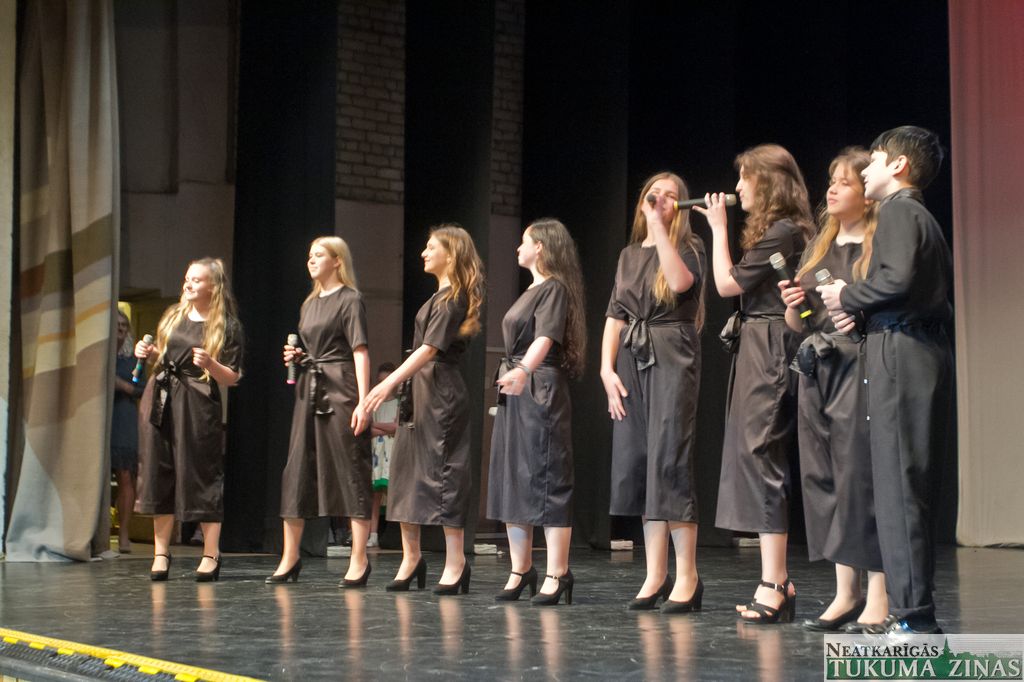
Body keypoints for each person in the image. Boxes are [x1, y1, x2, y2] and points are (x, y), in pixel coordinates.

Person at [818, 126, 952, 635]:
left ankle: (915, 619)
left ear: (898, 166)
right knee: (906, 485)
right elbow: (910, 287)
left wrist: (847, 296)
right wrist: (863, 311)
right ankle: (914, 613)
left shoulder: (898, 210)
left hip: (902, 353)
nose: (867, 170)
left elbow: (896, 279)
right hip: (913, 349)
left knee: (899, 488)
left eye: (873, 161)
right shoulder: (919, 217)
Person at [695, 144, 814, 624]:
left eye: (746, 177)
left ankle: (776, 581)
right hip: (758, 342)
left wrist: (717, 229)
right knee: (755, 453)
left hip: (770, 344)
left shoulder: (784, 230)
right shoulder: (779, 230)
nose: (738, 186)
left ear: (768, 181)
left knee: (763, 453)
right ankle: (776, 579)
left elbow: (727, 285)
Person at [778, 147, 887, 631]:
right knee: (823, 478)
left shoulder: (878, 246)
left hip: (859, 364)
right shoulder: (819, 248)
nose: (833, 188)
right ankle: (846, 592)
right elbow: (801, 321)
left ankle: (879, 595)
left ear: (867, 194)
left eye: (845, 182)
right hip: (817, 367)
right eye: (832, 180)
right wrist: (793, 304)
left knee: (861, 477)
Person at [602, 173, 707, 612]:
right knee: (642, 464)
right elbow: (615, 314)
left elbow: (679, 284)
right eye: (654, 195)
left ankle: (688, 577)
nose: (661, 201)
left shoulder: (689, 247)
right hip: (632, 356)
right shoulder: (628, 255)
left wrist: (661, 230)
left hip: (671, 352)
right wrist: (606, 370)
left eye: (671, 197)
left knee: (669, 461)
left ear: (680, 206)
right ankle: (655, 574)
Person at [363, 224, 485, 595]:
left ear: (451, 253)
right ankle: (411, 557)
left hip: (441, 393)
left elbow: (430, 350)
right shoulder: (436, 297)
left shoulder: (454, 298)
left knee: (444, 473)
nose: (423, 253)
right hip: (418, 392)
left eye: (431, 247)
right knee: (404, 472)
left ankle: (456, 561)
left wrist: (388, 383)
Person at [488, 219, 586, 606]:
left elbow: (546, 336)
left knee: (546, 477)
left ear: (541, 246)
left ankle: (558, 572)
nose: (518, 248)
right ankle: (521, 569)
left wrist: (524, 371)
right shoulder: (530, 289)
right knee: (513, 476)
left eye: (524, 241)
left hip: (538, 385)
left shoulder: (554, 289)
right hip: (518, 386)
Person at [266, 236, 374, 587]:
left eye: (318, 255)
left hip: (340, 387)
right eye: (309, 255)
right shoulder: (309, 303)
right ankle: (290, 557)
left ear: (337, 260)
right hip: (308, 390)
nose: (310, 260)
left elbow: (359, 351)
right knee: (297, 468)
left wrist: (364, 401)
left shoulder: (350, 299)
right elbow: (314, 348)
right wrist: (299, 357)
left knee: (350, 467)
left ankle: (359, 559)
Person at [136, 258, 243, 582]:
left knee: (201, 474)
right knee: (159, 471)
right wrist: (150, 354)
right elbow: (167, 358)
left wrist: (210, 364)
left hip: (196, 402)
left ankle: (211, 553)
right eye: (187, 278)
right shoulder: (174, 315)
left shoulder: (226, 325)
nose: (188, 284)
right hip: (161, 397)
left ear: (214, 286)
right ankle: (161, 552)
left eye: (197, 279)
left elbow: (232, 377)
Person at [112, 309, 144, 554]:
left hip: (124, 418)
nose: (121, 329)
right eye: (117, 325)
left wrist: (119, 384)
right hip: (100, 418)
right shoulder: (98, 355)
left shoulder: (134, 361)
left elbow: (140, 388)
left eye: (124, 326)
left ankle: (124, 533)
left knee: (125, 476)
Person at [369, 362, 399, 548]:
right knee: (375, 495)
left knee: (395, 493)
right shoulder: (373, 405)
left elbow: (397, 428)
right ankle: (373, 534)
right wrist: (385, 429)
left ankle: (396, 535)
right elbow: (368, 430)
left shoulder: (398, 403)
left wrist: (377, 426)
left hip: (392, 453)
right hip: (376, 453)